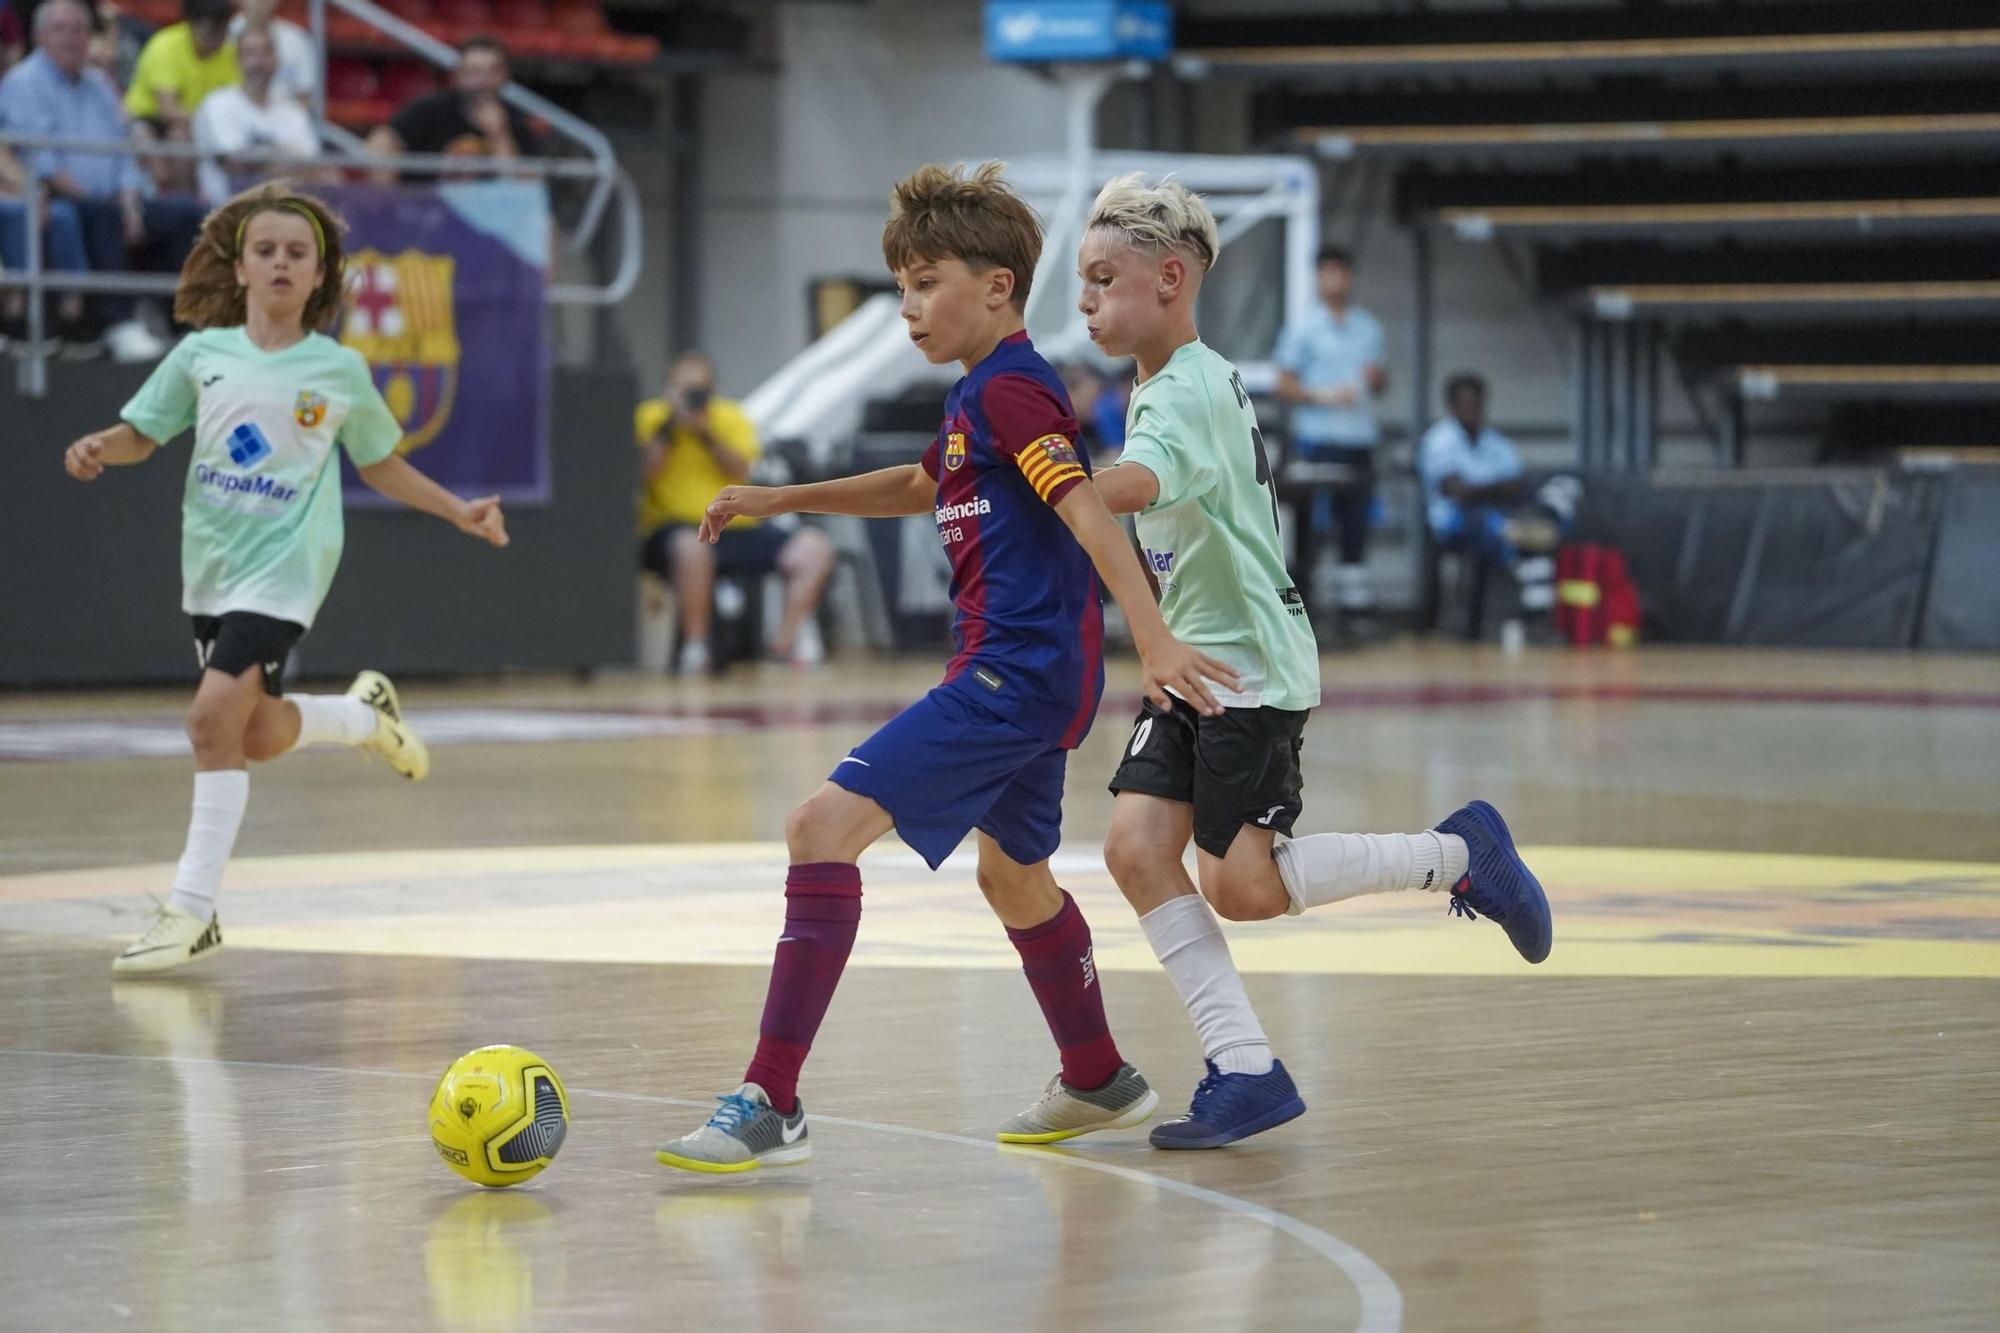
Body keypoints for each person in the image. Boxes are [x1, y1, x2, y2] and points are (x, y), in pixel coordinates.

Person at [652, 162, 1239, 1173]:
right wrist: (776, 501)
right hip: (1034, 676)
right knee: (1012, 877)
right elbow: (919, 483)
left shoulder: (1013, 388)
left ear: (996, 287)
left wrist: (1148, 636)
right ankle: (1096, 1071)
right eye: (901, 288)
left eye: (928, 283)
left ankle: (770, 1097)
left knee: (818, 829)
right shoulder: (978, 395)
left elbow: (1086, 511)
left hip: (1012, 672)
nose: (909, 308)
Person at [1076, 173, 1554, 1150]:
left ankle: (1458, 854)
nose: (1083, 300)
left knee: (1240, 886)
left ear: (1169, 278)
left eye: (1100, 279)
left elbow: (1135, 483)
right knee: (1132, 848)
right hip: (1194, 657)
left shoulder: (1189, 387)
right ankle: (1243, 1065)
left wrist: (1054, 483)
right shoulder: (1165, 377)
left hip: (1243, 661)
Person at [60, 183, 510, 974]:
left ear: (318, 276)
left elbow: (379, 462)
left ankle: (190, 909)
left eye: (295, 253)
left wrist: (457, 511)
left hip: (288, 568)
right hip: (212, 565)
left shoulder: (335, 370)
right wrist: (101, 444)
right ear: (240, 268)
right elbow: (144, 433)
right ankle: (365, 717)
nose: (279, 262)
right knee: (254, 734)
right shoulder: (202, 356)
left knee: (208, 722)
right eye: (265, 250)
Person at [0, 0, 205, 359]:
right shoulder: (21, 84)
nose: (72, 38)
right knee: (101, 214)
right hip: (59, 195)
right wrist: (111, 204)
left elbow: (124, 150)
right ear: (39, 36)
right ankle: (118, 323)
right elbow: (41, 163)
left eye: (79, 29)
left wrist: (129, 200)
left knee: (188, 213)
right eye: (60, 29)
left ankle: (188, 323)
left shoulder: (100, 84)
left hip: (117, 197)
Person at [636, 351, 835, 673]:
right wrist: (669, 427)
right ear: (669, 388)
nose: (692, 398)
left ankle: (782, 647)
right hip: (675, 527)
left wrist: (705, 433)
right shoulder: (649, 417)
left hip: (737, 526)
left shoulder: (729, 417)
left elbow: (741, 469)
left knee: (814, 547)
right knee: (691, 546)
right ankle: (696, 648)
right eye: (684, 389)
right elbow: (646, 472)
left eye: (699, 391)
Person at [1273, 245, 1387, 615]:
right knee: (1312, 522)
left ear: (1349, 277)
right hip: (1318, 438)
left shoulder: (1368, 328)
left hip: (1358, 437)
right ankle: (1306, 600)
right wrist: (1322, 396)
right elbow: (1283, 383)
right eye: (1327, 272)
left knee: (1356, 521)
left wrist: (1377, 379)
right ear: (1318, 278)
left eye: (1341, 272)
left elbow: (1381, 382)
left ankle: (1353, 605)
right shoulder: (1303, 329)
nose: (1335, 280)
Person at [1419, 372, 1563, 621]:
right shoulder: (1439, 439)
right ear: (1451, 406)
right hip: (1451, 522)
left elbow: (1519, 484)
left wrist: (1479, 490)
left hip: (1495, 514)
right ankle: (1512, 542)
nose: (1471, 409)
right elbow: (1457, 492)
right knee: (1492, 525)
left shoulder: (1496, 442)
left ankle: (1536, 615)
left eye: (1476, 403)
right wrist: (1497, 489)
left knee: (1529, 532)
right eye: (1464, 404)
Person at [365, 35, 543, 185]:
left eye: (491, 72)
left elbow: (525, 187)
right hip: (429, 212)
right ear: (458, 76)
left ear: (504, 76)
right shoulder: (432, 108)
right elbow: (383, 139)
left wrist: (499, 135)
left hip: (487, 218)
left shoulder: (517, 120)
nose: (482, 81)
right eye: (473, 72)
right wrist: (387, 193)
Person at [190, 23, 317, 205]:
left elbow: (313, 164)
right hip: (227, 211)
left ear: (276, 59)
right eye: (251, 54)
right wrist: (281, 160)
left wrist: (267, 160)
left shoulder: (292, 109)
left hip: (287, 209)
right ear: (237, 60)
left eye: (266, 53)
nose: (259, 62)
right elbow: (235, 163)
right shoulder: (218, 103)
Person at [124, 0, 238, 136]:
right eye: (211, 31)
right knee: (171, 135)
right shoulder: (165, 46)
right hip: (147, 117)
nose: (218, 38)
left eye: (223, 30)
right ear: (191, 24)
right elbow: (169, 110)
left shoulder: (230, 53)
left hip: (198, 123)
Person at [229, 0, 316, 103]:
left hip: (283, 115)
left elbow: (304, 93)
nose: (260, 2)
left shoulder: (296, 39)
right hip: (230, 114)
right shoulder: (224, 33)